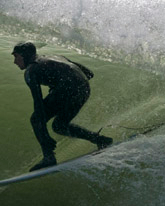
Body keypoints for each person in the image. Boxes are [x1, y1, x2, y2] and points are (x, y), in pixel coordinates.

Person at [12, 41, 112, 170]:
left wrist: (45, 137)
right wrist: (57, 84)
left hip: (68, 89)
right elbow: (89, 73)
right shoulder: (55, 57)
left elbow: (38, 104)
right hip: (84, 88)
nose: (15, 61)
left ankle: (49, 157)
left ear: (24, 55)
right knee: (59, 126)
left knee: (35, 119)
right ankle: (100, 140)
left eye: (16, 56)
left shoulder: (31, 70)